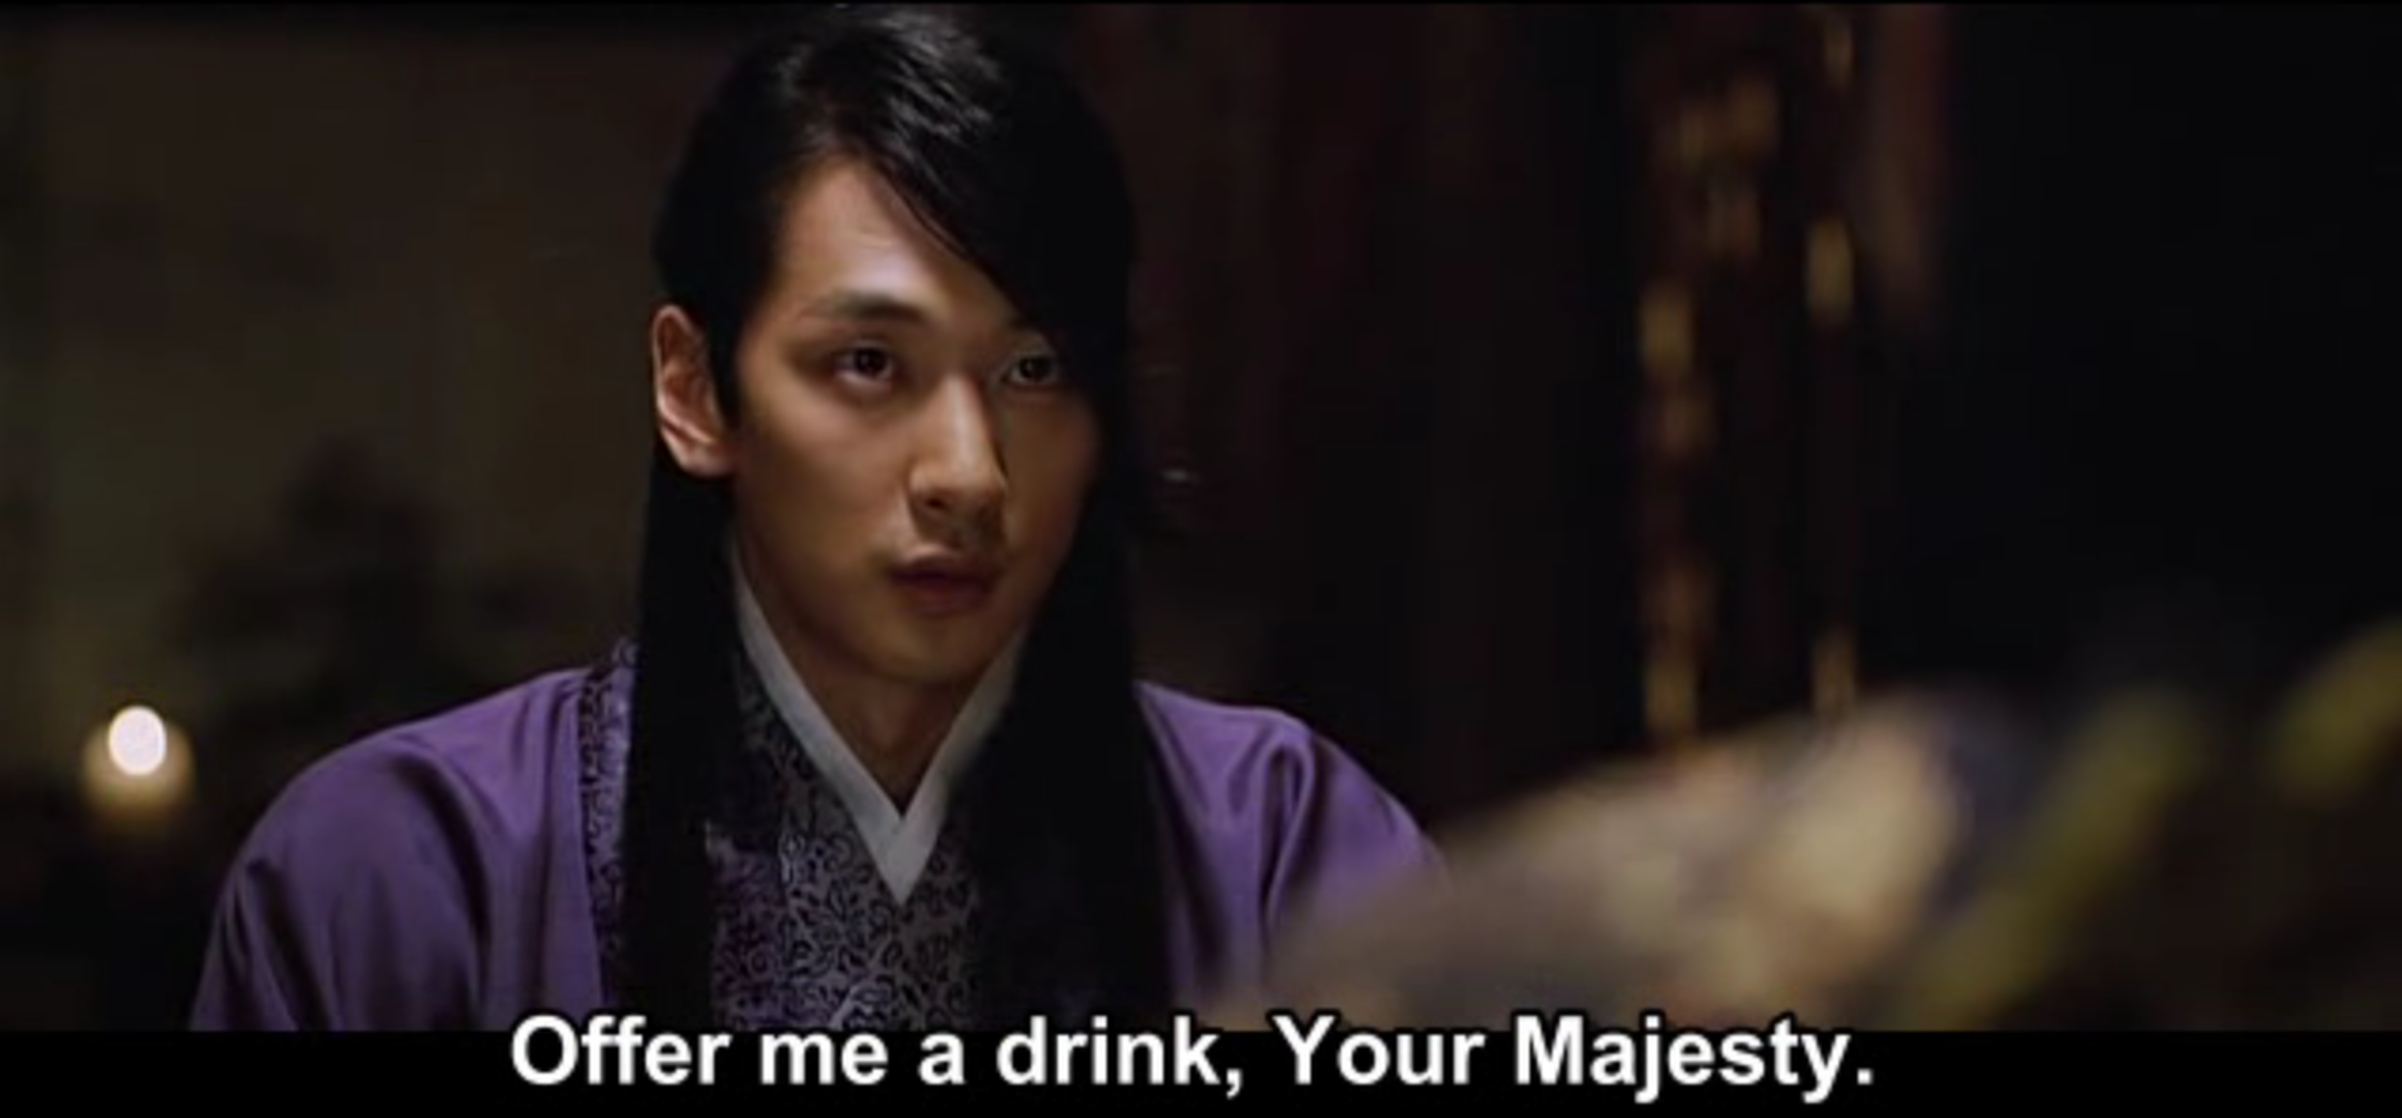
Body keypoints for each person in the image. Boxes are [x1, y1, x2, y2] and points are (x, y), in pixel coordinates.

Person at [188, 4, 1435, 1032]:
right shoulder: (409, 873)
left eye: (1035, 369)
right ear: (694, 389)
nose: (968, 473)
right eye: (868, 364)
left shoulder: (1284, 852)